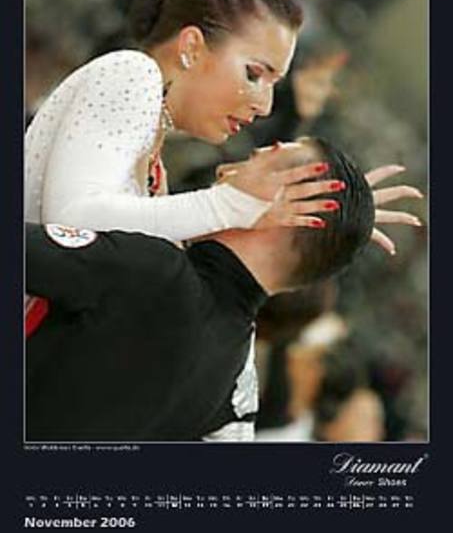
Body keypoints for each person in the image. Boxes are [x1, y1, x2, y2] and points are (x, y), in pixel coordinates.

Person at [26, 137, 418, 442]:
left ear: (292, 209)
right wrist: (345, 223)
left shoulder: (154, 270)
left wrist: (345, 214)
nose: (263, 149)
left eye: (280, 158)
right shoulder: (236, 388)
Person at [26, 0, 341, 241]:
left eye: (274, 84)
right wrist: (225, 205)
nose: (265, 106)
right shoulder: (133, 72)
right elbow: (71, 222)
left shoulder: (154, 149)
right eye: (254, 74)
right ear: (191, 47)